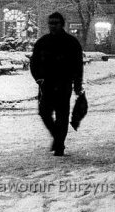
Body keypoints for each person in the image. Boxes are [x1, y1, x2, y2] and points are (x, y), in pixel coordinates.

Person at [30, 11, 84, 157]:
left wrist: (78, 84)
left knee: (62, 116)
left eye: (56, 23)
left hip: (64, 83)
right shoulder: (42, 42)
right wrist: (38, 78)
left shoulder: (71, 42)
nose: (52, 26)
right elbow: (34, 62)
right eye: (50, 23)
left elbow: (78, 65)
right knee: (44, 112)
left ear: (62, 24)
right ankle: (58, 139)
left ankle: (59, 146)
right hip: (46, 84)